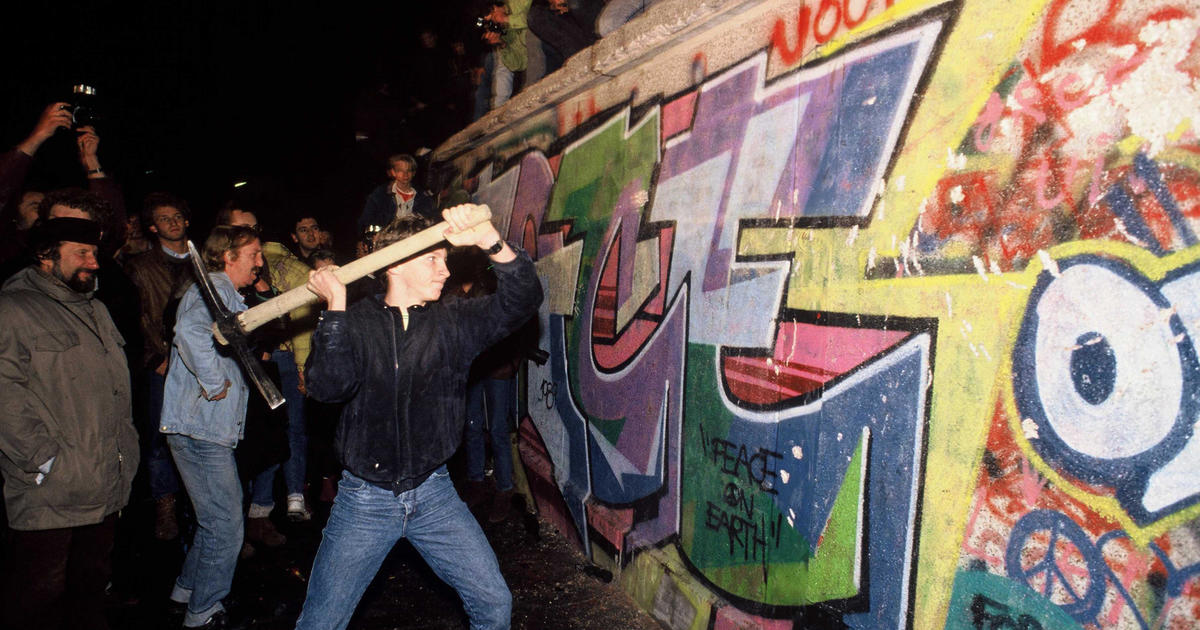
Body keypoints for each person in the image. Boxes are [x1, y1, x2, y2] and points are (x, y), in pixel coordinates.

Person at [294, 207, 543, 630]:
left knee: (494, 604)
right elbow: (326, 387)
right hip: (365, 502)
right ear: (394, 264)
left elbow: (523, 299)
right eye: (433, 259)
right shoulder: (354, 322)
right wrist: (334, 307)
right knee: (320, 623)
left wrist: (489, 239)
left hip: (434, 495)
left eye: (445, 260)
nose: (444, 271)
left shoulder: (455, 322)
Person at [0, 216, 140, 630]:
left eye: (94, 253)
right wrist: (43, 460)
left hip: (104, 483)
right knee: (38, 597)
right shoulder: (13, 309)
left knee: (89, 590)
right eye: (80, 253)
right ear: (46, 256)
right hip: (51, 490)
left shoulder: (94, 308)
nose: (93, 262)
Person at [160, 225, 263, 629]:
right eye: (253, 253)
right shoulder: (215, 289)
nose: (259, 262)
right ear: (228, 256)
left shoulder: (225, 293)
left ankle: (185, 592)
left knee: (213, 518)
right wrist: (214, 381)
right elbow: (189, 332)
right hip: (201, 427)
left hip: (199, 426)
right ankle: (204, 613)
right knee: (226, 526)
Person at [124, 193, 193, 540]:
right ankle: (165, 508)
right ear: (152, 226)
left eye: (177, 215)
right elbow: (137, 319)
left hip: (201, 362)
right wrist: (154, 358)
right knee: (159, 438)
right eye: (165, 218)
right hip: (163, 363)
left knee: (202, 437)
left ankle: (202, 510)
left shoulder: (203, 260)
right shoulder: (140, 267)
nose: (173, 223)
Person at [358, 154, 437, 234]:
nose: (405, 174)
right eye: (400, 170)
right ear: (393, 172)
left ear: (414, 173)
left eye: (409, 170)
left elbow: (430, 220)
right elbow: (365, 220)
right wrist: (364, 238)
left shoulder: (423, 196)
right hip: (386, 238)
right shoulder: (381, 194)